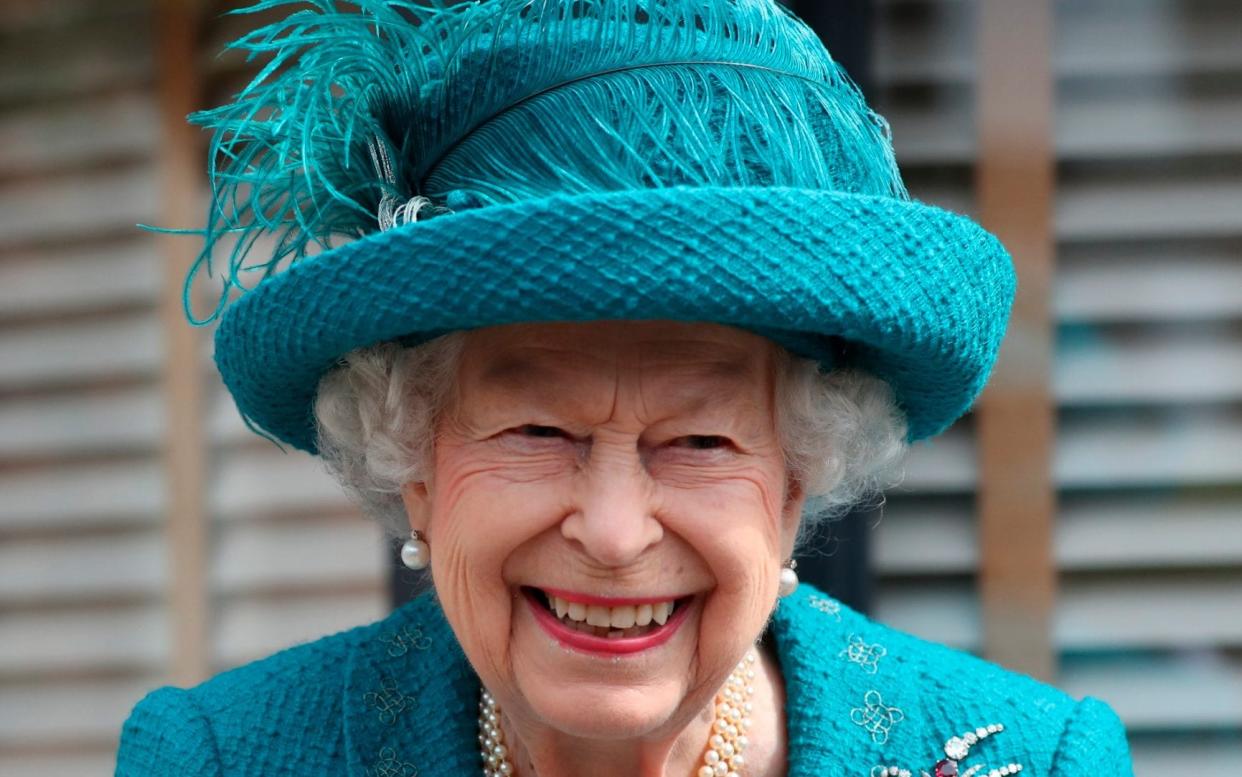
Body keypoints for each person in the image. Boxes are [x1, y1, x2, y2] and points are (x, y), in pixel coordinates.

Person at [116, 0, 1134, 775]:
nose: (613, 533)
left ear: (794, 486)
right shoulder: (219, 756)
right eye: (535, 429)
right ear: (414, 465)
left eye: (699, 443)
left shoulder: (1033, 760)